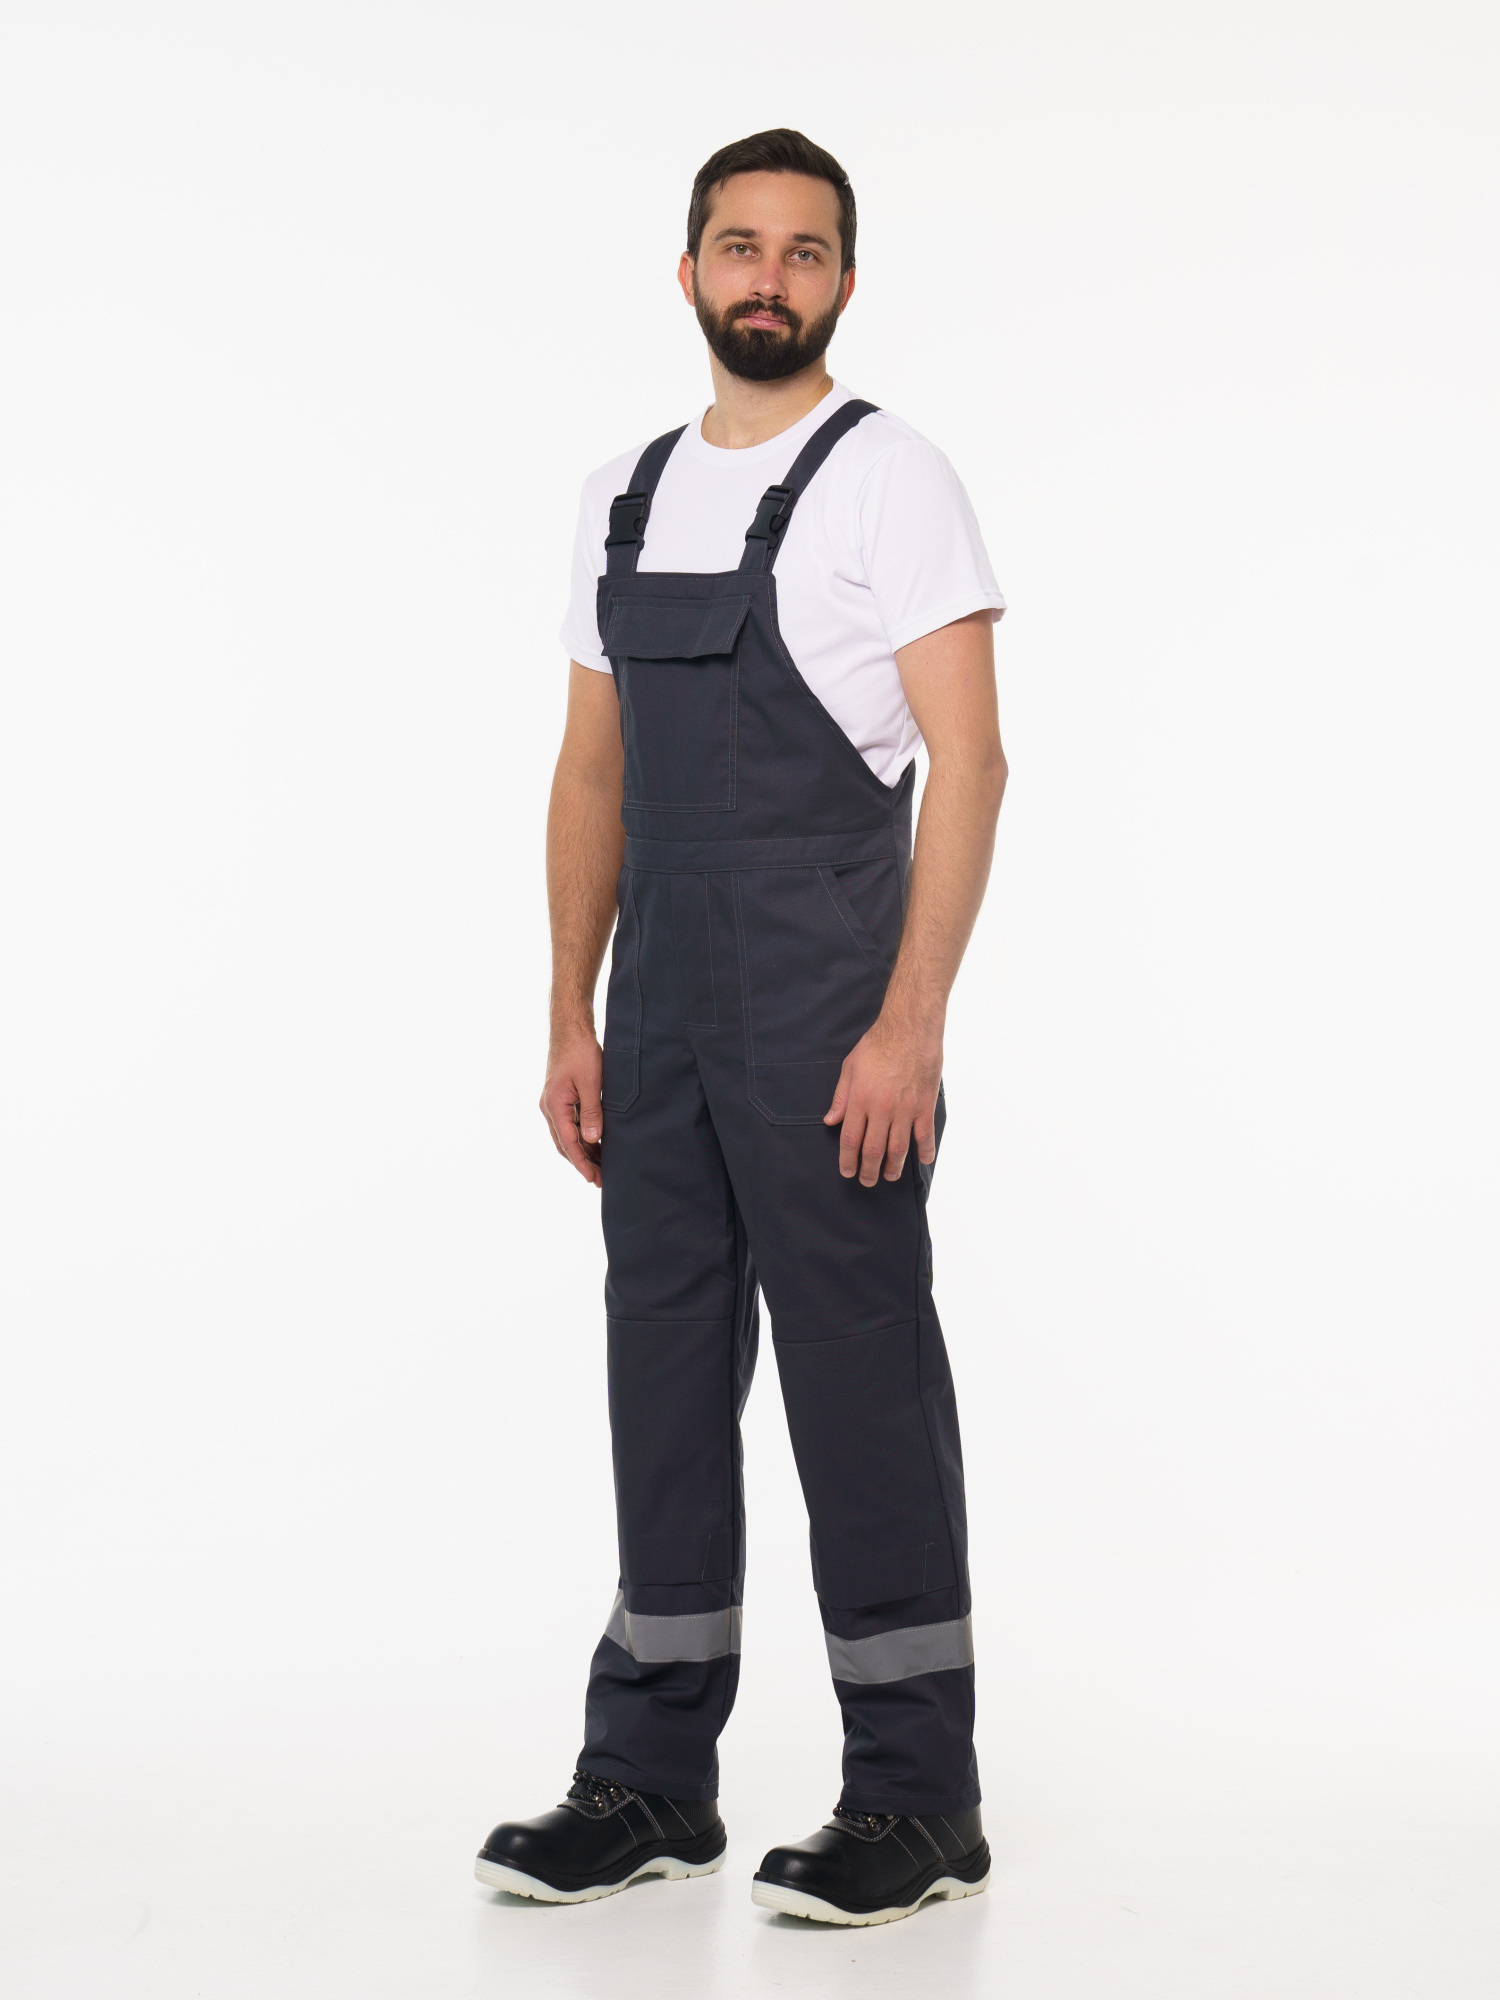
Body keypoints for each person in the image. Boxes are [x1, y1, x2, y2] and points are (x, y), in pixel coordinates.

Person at [475, 128, 1007, 1927]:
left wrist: (911, 1026)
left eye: (803, 250)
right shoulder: (622, 494)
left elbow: (971, 763)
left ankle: (918, 1799)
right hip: (662, 1019)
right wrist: (572, 1009)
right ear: (690, 269)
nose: (767, 277)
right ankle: (648, 1778)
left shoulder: (888, 479)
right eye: (738, 245)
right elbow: (593, 771)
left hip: (826, 1006)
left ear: (843, 281)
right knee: (662, 1376)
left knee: (859, 1378)